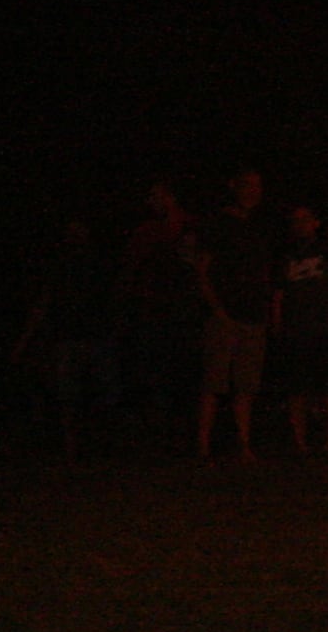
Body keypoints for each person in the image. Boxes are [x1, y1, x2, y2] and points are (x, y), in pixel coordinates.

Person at [11, 216, 120, 457]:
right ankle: (73, 446)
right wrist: (27, 339)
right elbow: (45, 302)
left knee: (98, 394)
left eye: (78, 231)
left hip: (94, 336)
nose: (75, 237)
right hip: (70, 337)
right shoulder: (59, 265)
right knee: (69, 396)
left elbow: (113, 298)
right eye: (71, 232)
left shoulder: (98, 264)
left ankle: (98, 445)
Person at [194, 171, 274, 462]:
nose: (254, 191)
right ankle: (203, 445)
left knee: (246, 385)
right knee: (215, 382)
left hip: (253, 315)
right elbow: (202, 269)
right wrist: (217, 310)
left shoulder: (259, 226)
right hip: (225, 314)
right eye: (248, 185)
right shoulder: (219, 224)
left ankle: (243, 444)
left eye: (258, 186)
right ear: (234, 187)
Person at [268, 202, 328, 456]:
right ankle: (300, 443)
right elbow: (279, 292)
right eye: (296, 220)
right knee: (297, 390)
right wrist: (277, 322)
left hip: (325, 327)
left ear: (315, 222)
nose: (301, 224)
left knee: (327, 389)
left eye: (306, 219)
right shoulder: (286, 255)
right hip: (296, 328)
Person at [116, 182, 198, 436]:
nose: (150, 201)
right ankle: (158, 431)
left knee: (183, 370)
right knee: (154, 372)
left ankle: (184, 431)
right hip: (153, 311)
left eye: (154, 195)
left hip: (185, 310)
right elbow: (129, 271)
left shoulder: (190, 225)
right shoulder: (146, 231)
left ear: (169, 197)